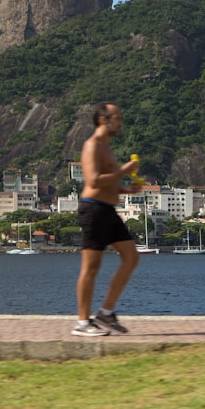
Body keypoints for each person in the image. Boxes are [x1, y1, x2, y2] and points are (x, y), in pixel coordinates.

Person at [72, 102, 142, 337]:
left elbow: (107, 183)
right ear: (104, 119)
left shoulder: (106, 147)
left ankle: (106, 312)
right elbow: (93, 181)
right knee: (90, 268)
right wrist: (124, 170)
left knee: (131, 257)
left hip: (108, 210)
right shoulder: (92, 145)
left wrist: (126, 190)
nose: (120, 122)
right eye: (117, 118)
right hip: (93, 210)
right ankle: (82, 323)